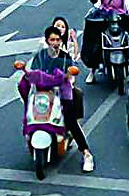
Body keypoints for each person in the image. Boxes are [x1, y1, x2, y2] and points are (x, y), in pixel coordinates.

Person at [29, 26, 95, 171]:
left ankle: (86, 154)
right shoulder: (40, 56)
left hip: (62, 94)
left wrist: (68, 79)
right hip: (44, 95)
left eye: (58, 39)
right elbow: (33, 73)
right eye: (52, 39)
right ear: (47, 41)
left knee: (71, 121)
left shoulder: (65, 57)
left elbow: (71, 74)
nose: (55, 42)